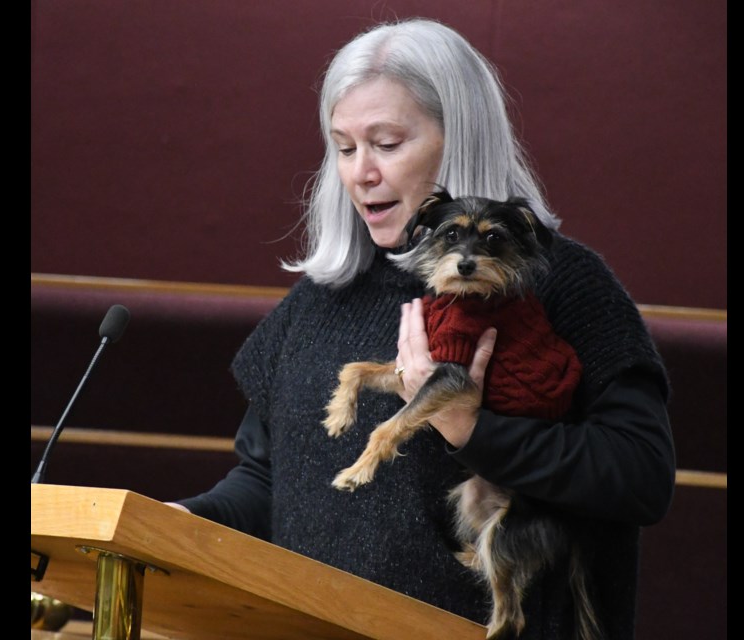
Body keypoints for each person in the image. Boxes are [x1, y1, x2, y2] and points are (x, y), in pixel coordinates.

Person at [168, 17, 675, 640]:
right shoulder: (319, 299)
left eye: (386, 143)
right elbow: (269, 478)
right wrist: (176, 521)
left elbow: (640, 476)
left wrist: (469, 427)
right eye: (344, 147)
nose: (360, 173)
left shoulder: (561, 284)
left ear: (458, 138)